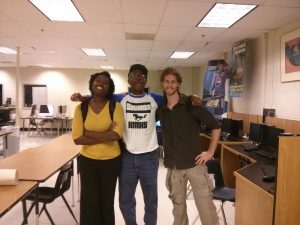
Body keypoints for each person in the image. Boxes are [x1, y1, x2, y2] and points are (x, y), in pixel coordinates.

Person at [70, 64, 201, 225]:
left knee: (151, 201)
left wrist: (193, 97)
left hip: (149, 158)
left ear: (146, 80)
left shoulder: (156, 98)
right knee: (125, 201)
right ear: (129, 79)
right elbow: (99, 95)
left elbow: (175, 96)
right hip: (126, 158)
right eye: (134, 75)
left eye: (142, 76)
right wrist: (83, 97)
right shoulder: (119, 99)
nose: (138, 78)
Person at [156, 67, 221, 225]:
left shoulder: (191, 105)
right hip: (174, 167)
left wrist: (210, 152)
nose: (169, 85)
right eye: (166, 81)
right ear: (162, 84)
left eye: (173, 82)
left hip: (195, 165)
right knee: (178, 213)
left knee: (207, 211)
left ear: (178, 84)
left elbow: (215, 126)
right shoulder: (160, 109)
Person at [71, 71, 124, 225]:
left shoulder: (116, 107)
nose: (100, 83)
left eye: (105, 82)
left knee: (107, 203)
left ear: (110, 87)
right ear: (92, 85)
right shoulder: (81, 108)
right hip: (88, 161)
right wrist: (105, 134)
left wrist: (90, 133)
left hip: (111, 161)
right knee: (89, 202)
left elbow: (116, 135)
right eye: (97, 81)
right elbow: (77, 138)